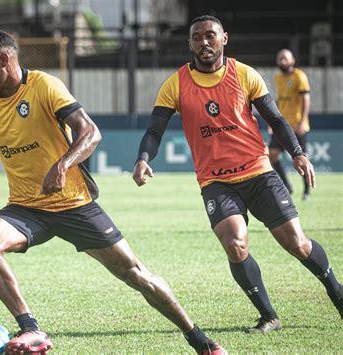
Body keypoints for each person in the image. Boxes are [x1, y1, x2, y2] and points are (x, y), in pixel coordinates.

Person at [0, 30, 227, 355]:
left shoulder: (44, 86)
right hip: (26, 208)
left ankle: (200, 341)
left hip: (74, 205)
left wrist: (63, 165)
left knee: (136, 275)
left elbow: (90, 132)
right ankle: (31, 329)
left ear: (5, 60)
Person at [133, 15, 342, 334]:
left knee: (297, 244)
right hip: (216, 182)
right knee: (235, 243)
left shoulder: (244, 74)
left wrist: (298, 153)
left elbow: (276, 119)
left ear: (224, 39)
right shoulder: (175, 83)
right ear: (190, 44)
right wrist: (144, 158)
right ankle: (268, 316)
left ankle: (337, 294)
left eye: (210, 36)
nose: (204, 42)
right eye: (197, 37)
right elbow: (154, 129)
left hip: (259, 173)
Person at [269, 49, 311, 200]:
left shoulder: (299, 76)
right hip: (281, 125)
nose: (282, 61)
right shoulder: (278, 78)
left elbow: (306, 99)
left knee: (302, 158)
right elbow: (279, 100)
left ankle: (307, 191)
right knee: (272, 155)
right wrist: (272, 121)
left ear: (293, 60)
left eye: (285, 58)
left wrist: (302, 121)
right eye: (280, 58)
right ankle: (287, 185)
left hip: (298, 125)